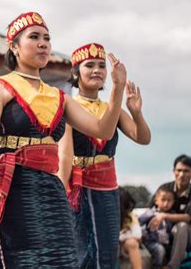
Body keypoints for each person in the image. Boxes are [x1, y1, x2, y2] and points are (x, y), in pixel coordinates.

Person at [0, 11, 127, 268]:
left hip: (49, 188)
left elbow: (103, 130)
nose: (43, 43)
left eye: (47, 38)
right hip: (11, 187)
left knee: (62, 259)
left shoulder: (59, 97)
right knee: (18, 260)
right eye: (34, 37)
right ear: (14, 47)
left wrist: (118, 89)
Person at [58, 42, 151, 268]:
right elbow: (65, 156)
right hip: (79, 187)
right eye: (89, 65)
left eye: (101, 65)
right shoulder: (68, 106)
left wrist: (136, 113)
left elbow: (143, 138)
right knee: (83, 248)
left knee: (107, 249)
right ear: (76, 72)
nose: (97, 70)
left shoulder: (113, 109)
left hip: (108, 187)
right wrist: (59, 195)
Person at [150, 154, 191, 268]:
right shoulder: (164, 188)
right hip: (163, 234)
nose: (182, 174)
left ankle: (173, 266)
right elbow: (150, 209)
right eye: (179, 170)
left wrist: (163, 215)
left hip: (187, 239)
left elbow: (188, 217)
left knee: (182, 225)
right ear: (174, 171)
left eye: (186, 171)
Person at [139, 186, 176, 268]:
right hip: (152, 242)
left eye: (169, 200)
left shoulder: (172, 215)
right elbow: (138, 223)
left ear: (173, 202)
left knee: (174, 251)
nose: (166, 203)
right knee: (159, 250)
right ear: (156, 201)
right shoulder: (150, 213)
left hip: (167, 243)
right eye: (163, 200)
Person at [119, 187, 143, 269]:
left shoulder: (130, 217)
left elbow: (137, 236)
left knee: (132, 242)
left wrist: (121, 237)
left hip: (123, 247)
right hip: (110, 246)